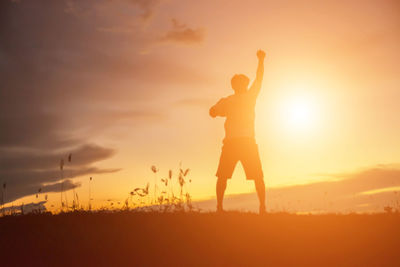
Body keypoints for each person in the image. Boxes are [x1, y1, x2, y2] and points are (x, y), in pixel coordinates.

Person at [209, 50, 266, 214]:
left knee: (257, 176)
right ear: (234, 85)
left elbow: (259, 78)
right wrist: (214, 110)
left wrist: (261, 60)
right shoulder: (227, 101)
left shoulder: (250, 96)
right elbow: (213, 112)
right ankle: (219, 207)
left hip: (247, 142)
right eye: (238, 83)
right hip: (231, 143)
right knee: (222, 176)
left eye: (243, 83)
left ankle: (262, 207)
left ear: (246, 84)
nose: (241, 85)